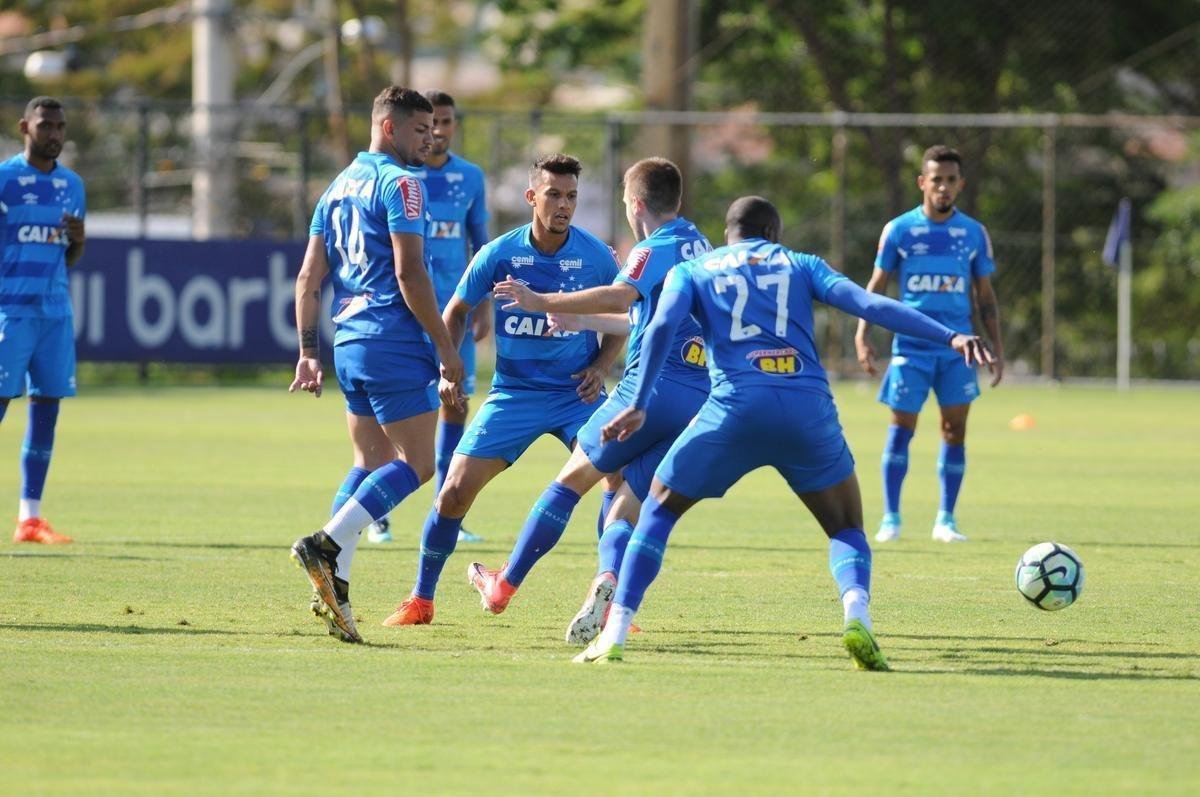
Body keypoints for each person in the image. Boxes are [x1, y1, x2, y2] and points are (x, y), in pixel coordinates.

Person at [574, 196, 993, 667]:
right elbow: (870, 304)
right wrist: (951, 335)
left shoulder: (694, 269)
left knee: (658, 509)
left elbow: (660, 328)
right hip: (805, 409)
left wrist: (637, 401)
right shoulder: (800, 262)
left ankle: (617, 632)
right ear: (773, 233)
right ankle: (857, 616)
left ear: (728, 232)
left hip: (733, 409)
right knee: (846, 526)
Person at [469, 157, 713, 645]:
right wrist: (585, 325)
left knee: (568, 484)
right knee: (624, 504)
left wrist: (543, 302)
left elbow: (622, 295)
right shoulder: (700, 243)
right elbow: (647, 320)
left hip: (649, 388)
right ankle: (607, 587)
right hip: (697, 396)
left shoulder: (652, 247)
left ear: (635, 203)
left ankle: (503, 586)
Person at [380, 153, 624, 627]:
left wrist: (600, 363)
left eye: (571, 196)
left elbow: (622, 314)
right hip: (513, 393)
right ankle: (421, 599)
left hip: (576, 394)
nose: (564, 205)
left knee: (622, 479)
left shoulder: (596, 256)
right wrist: (448, 369)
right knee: (452, 492)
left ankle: (612, 602)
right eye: (554, 194)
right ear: (532, 197)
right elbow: (455, 311)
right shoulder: (498, 254)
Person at [288, 86, 464, 645]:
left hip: (349, 341)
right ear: (388, 128)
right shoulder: (402, 183)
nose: (431, 139)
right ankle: (327, 544)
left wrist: (309, 351)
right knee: (418, 463)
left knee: (370, 459)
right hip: (393, 337)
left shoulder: (337, 186)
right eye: (420, 130)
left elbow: (308, 279)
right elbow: (411, 274)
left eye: (434, 130)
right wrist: (445, 346)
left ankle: (333, 585)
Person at [854, 145, 1004, 544]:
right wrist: (862, 333)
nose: (944, 187)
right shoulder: (899, 230)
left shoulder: (973, 233)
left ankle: (946, 520)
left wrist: (997, 348)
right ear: (923, 182)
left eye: (951, 180)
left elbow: (984, 296)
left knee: (954, 430)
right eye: (936, 179)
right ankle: (891, 519)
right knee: (901, 428)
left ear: (960, 185)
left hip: (960, 350)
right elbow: (877, 288)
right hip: (911, 347)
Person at [365, 90, 490, 545]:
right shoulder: (400, 178)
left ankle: (446, 505)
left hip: (453, 313)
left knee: (455, 403)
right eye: (429, 123)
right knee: (387, 417)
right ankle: (375, 515)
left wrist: (484, 304)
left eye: (446, 122)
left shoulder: (470, 178)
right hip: (405, 313)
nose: (438, 131)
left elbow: (483, 248)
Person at [1, 96, 86, 545]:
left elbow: (70, 255)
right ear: (25, 128)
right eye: (45, 125)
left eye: (60, 126)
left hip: (55, 313)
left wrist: (79, 240)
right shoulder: (4, 180)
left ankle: (29, 518)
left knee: (46, 409)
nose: (54, 133)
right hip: (10, 311)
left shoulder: (73, 185)